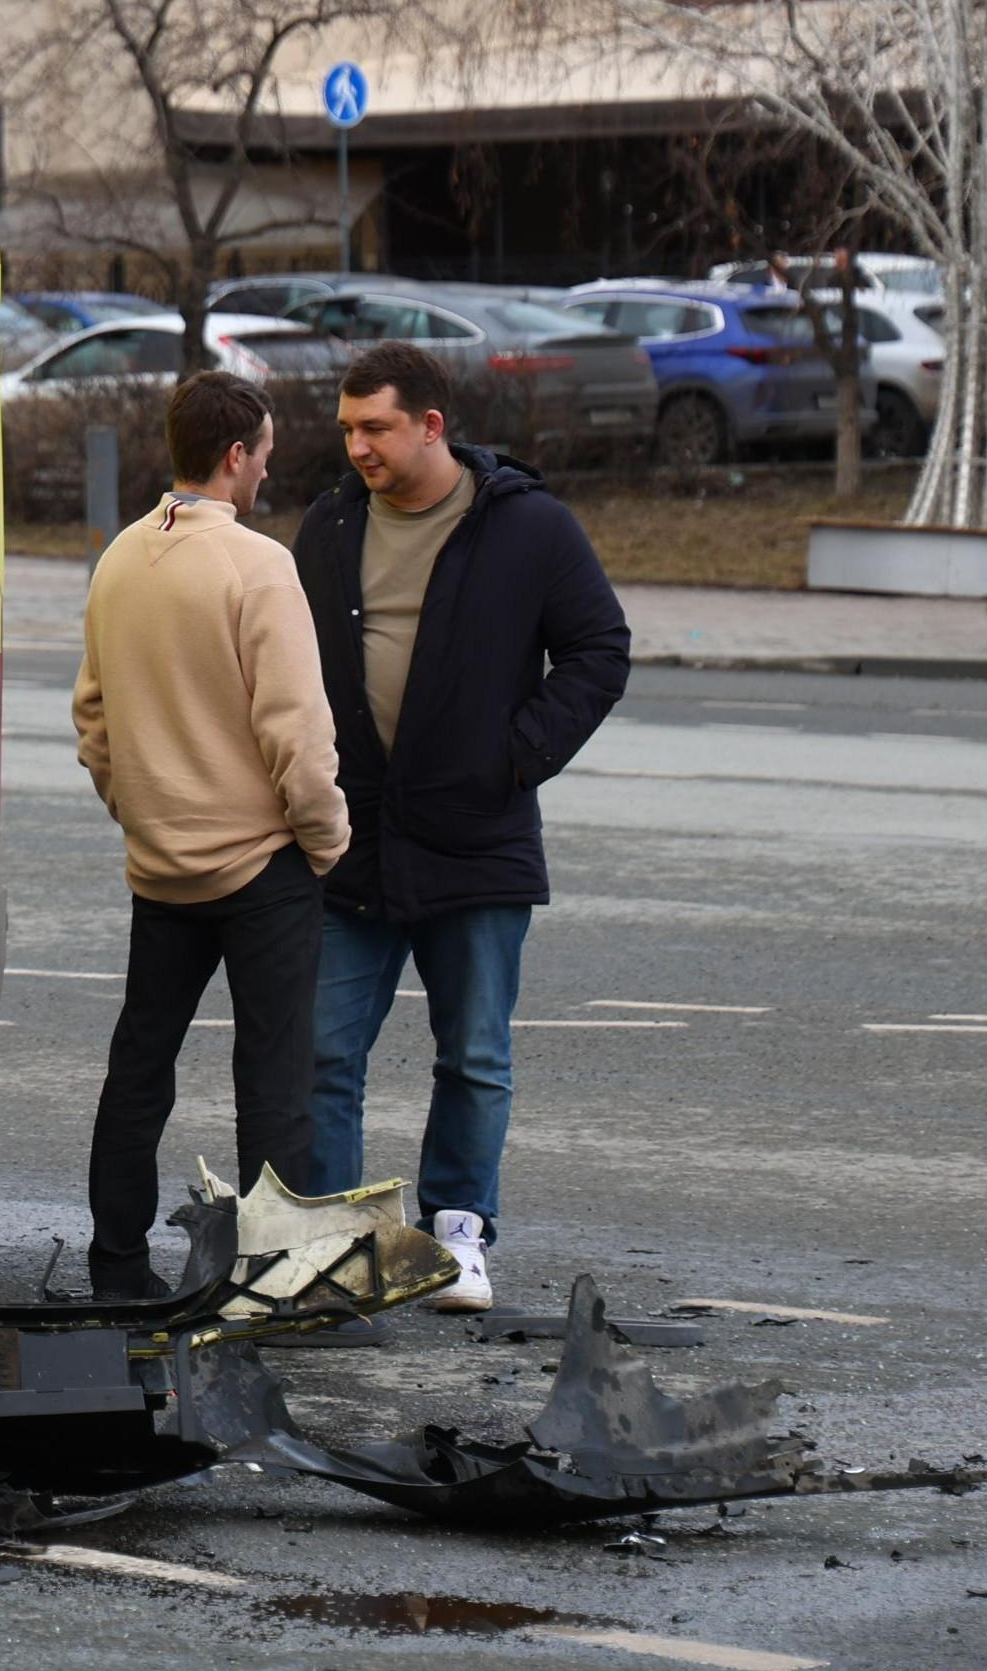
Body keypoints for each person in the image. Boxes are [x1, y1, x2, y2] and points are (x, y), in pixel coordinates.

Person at [297, 342, 629, 1314]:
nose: (356, 446)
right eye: (347, 428)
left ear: (431, 425)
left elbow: (599, 649)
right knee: (323, 1052)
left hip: (477, 837)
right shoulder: (330, 525)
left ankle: (458, 1232)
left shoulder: (526, 527)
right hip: (353, 837)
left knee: (474, 1052)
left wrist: (515, 757)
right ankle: (337, 1245)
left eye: (375, 428)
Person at [71, 371, 348, 1301]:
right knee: (276, 1081)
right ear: (236, 456)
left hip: (161, 865)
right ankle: (282, 1281)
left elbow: (94, 719)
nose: (268, 471)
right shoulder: (258, 566)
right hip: (260, 863)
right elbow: (298, 733)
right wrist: (326, 839)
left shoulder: (117, 560)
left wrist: (140, 807)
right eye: (265, 455)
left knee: (139, 1067)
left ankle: (117, 1264)